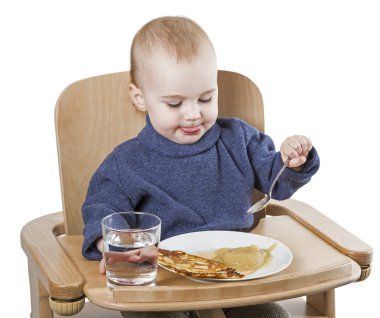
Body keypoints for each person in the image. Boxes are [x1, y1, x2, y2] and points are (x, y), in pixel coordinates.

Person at [82, 16, 320, 318]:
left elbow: (277, 183)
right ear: (140, 98)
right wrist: (112, 244)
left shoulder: (238, 139)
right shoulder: (127, 162)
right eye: (175, 104)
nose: (193, 114)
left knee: (272, 317)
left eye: (205, 98)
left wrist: (292, 161)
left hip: (236, 268)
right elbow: (102, 207)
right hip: (161, 277)